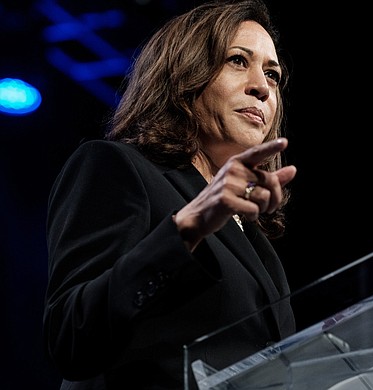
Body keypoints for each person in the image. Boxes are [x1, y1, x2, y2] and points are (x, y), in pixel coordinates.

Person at [42, 0, 298, 388]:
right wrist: (188, 227)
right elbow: (71, 337)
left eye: (273, 74)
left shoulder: (253, 236)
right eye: (237, 60)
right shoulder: (116, 167)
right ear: (184, 75)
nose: (262, 87)